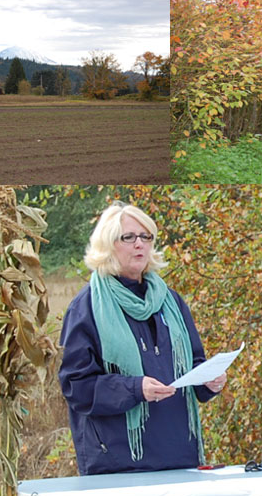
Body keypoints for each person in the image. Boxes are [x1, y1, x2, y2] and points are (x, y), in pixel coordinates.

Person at [58, 201, 227, 476]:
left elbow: (194, 363)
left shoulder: (170, 301)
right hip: (118, 464)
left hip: (178, 458)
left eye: (146, 237)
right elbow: (76, 387)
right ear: (108, 244)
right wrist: (135, 389)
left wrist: (210, 381)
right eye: (129, 237)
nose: (140, 244)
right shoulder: (87, 306)